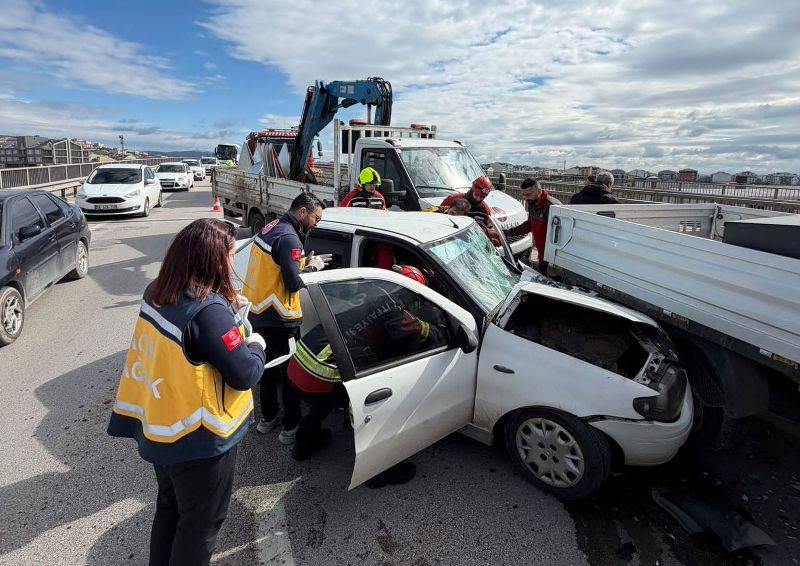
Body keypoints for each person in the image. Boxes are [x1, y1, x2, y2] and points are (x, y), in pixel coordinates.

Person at [107, 219, 267, 566]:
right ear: (214, 261)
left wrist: (224, 307)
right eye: (229, 253)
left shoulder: (158, 292)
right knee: (200, 526)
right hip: (200, 441)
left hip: (163, 428)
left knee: (169, 509)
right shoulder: (207, 312)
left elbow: (188, 343)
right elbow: (245, 374)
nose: (233, 259)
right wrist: (256, 344)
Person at [287, 266, 439, 462]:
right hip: (317, 374)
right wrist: (428, 328)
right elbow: (397, 346)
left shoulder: (371, 289)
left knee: (322, 405)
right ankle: (378, 467)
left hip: (298, 360)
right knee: (373, 403)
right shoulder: (396, 313)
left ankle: (303, 443)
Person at [242, 192, 331, 445]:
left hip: (259, 313)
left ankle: (267, 419)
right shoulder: (291, 238)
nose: (316, 223)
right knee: (289, 373)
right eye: (316, 218)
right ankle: (290, 427)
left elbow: (276, 266)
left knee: (268, 372)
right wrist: (312, 268)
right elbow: (292, 284)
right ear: (303, 212)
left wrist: (301, 261)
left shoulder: (272, 227)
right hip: (281, 319)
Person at [506, 178, 561, 266]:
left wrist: (555, 265)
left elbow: (560, 238)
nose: (525, 198)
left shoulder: (553, 207)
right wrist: (508, 232)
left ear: (539, 192)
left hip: (553, 259)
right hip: (542, 255)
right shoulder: (533, 203)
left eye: (528, 194)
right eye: (523, 195)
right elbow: (529, 225)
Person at [439, 176, 501, 245]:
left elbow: (486, 230)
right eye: (477, 194)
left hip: (471, 244)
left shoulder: (485, 210)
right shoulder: (452, 199)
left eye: (482, 197)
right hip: (448, 240)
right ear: (472, 189)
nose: (478, 198)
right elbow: (438, 217)